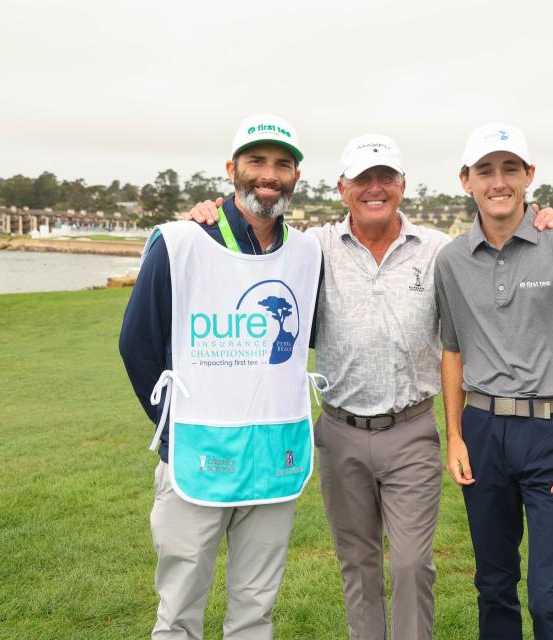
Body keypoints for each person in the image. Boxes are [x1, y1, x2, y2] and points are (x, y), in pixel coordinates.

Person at [187, 134, 553, 640]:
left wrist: (538, 216)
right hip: (340, 431)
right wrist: (213, 212)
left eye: (385, 178)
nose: (374, 189)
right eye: (362, 179)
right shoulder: (311, 248)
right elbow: (256, 229)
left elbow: (496, 232)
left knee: (411, 564)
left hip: (410, 430)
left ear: (402, 186)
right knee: (358, 564)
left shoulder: (438, 251)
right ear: (342, 188)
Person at [119, 113, 323, 640]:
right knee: (180, 609)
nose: (269, 175)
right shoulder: (181, 242)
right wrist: (172, 422)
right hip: (196, 454)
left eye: (282, 165)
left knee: (255, 609)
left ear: (296, 177)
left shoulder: (306, 253)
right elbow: (137, 344)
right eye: (257, 161)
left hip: (273, 459)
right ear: (232, 169)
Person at [434, 123, 553, 640]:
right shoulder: (450, 260)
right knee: (493, 585)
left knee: (551, 596)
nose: (499, 182)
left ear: (529, 176)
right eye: (486, 171)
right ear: (465, 180)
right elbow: (451, 350)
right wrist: (454, 434)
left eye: (511, 169)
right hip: (482, 432)